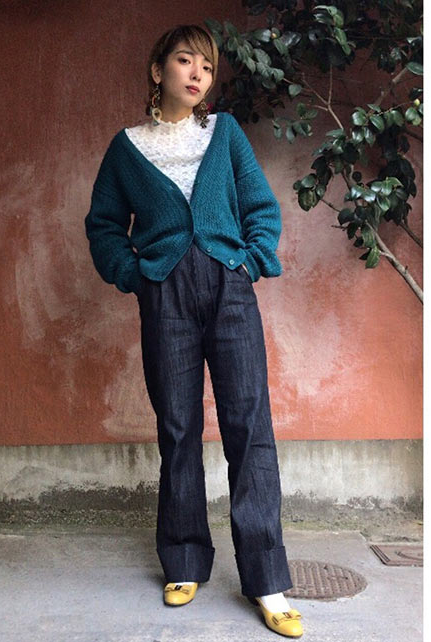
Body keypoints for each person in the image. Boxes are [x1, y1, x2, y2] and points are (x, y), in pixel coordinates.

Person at [84, 23, 303, 639]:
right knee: (178, 427)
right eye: (186, 61)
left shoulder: (224, 134)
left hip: (229, 289)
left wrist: (251, 261)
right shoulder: (126, 149)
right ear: (159, 71)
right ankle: (183, 558)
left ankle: (266, 578)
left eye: (206, 66)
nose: (198, 74)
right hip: (165, 295)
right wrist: (135, 275)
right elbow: (103, 226)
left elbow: (260, 206)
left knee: (249, 427)